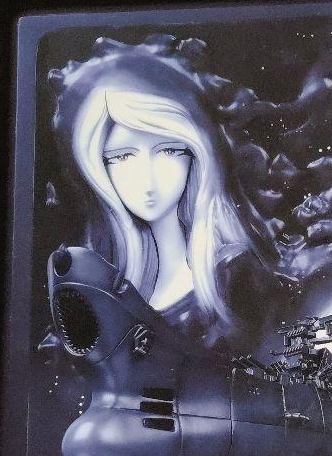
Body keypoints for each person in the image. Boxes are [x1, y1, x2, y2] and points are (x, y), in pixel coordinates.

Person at [51, 43, 289, 351]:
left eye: (168, 151)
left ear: (195, 154)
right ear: (97, 167)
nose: (147, 178)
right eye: (122, 156)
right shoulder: (98, 296)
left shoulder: (237, 277)